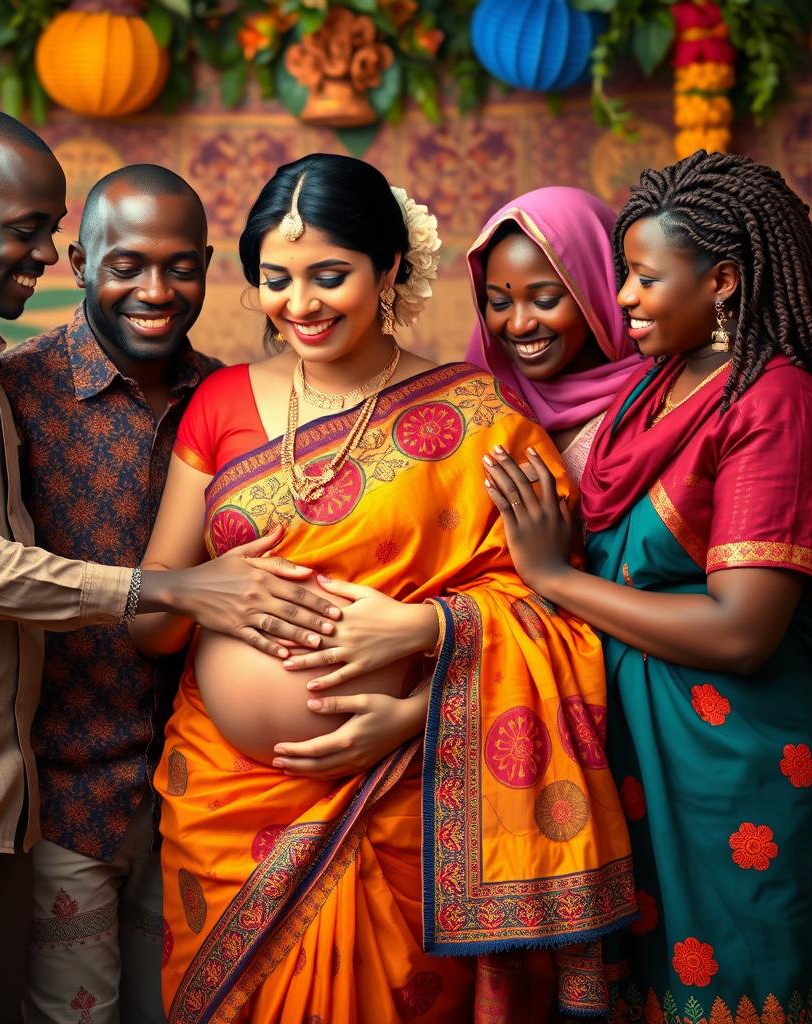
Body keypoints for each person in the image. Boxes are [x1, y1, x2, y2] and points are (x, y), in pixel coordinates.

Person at [0, 108, 339, 1024]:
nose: (45, 256)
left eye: (48, 232)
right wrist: (165, 588)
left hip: (63, 788)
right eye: (32, 233)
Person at [129, 153, 637, 1022]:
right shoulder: (217, 405)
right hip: (228, 800)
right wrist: (202, 590)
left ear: (390, 268)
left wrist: (422, 655)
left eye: (331, 276)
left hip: (410, 792)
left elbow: (554, 619)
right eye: (277, 280)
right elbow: (150, 623)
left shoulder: (480, 417)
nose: (302, 305)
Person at [483, 151, 812, 1019]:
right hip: (635, 753)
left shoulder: (775, 400)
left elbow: (741, 632)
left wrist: (554, 577)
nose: (626, 299)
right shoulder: (656, 384)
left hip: (734, 769)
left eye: (642, 278)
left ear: (721, 280)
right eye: (622, 278)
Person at [0, 164, 220, 1024]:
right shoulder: (16, 389)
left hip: (202, 785)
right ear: (82, 263)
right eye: (127, 264)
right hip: (60, 789)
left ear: (206, 263)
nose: (155, 290)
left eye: (180, 265)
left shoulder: (237, 398)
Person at [464, 186, 641, 481]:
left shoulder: (663, 401)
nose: (519, 324)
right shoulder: (479, 405)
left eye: (544, 301)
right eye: (499, 302)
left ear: (599, 291)